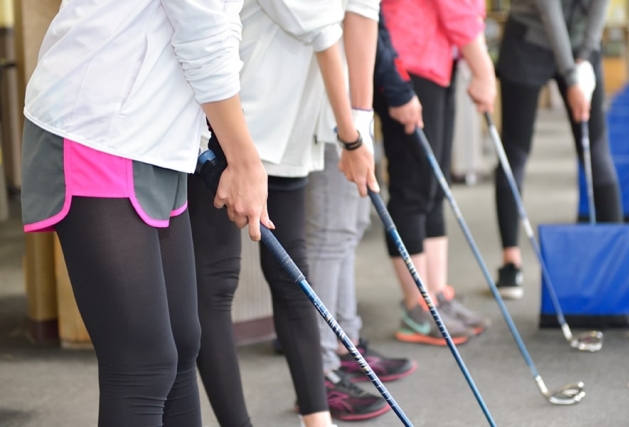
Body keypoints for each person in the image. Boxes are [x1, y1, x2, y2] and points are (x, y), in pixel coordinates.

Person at [21, 1, 270, 426]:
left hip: (159, 138)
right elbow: (203, 27)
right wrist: (244, 158)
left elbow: (219, 27)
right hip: (98, 127)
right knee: (143, 363)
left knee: (181, 344)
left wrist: (225, 140)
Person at [188, 1, 381, 426]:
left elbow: (363, 15)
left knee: (293, 276)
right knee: (215, 283)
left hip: (290, 131)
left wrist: (358, 127)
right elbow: (326, 34)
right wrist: (351, 139)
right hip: (231, 127)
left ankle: (318, 419)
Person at [304, 12, 420, 421]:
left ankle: (345, 342)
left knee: (350, 227)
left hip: (354, 110)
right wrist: (351, 127)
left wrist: (362, 121)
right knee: (330, 234)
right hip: (327, 109)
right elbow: (339, 29)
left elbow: (367, 25)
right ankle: (320, 372)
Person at [376, 0, 495, 346]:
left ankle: (436, 295)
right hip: (408, 60)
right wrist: (484, 71)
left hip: (437, 58)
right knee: (414, 187)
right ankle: (417, 307)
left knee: (434, 187)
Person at [494, 0, 622, 299]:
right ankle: (510, 260)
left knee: (598, 153)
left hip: (580, 46)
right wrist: (571, 78)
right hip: (528, 41)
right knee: (515, 156)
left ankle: (616, 257)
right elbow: (548, 9)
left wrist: (585, 56)